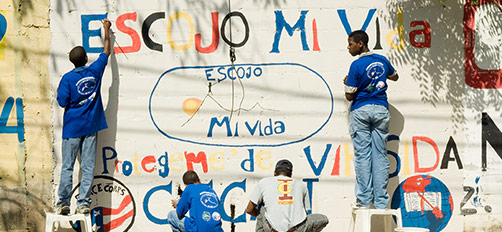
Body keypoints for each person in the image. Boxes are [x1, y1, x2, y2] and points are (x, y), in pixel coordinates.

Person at [55, 19, 112, 215]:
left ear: (72, 61)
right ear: (86, 58)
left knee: (68, 167)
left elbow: (62, 102)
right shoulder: (94, 71)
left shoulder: (67, 79)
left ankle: (63, 202)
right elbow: (106, 53)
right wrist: (106, 30)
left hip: (71, 130)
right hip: (90, 128)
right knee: (88, 167)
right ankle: (83, 203)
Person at [343, 30, 399, 209]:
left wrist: (348, 82)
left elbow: (349, 96)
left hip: (361, 110)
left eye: (350, 44)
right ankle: (381, 201)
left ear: (360, 44)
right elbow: (395, 76)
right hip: (381, 109)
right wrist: (379, 77)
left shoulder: (356, 65)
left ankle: (365, 200)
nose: (348, 47)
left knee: (363, 156)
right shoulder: (382, 60)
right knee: (380, 155)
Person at [246, 159, 329, 232]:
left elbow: (249, 210)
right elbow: (305, 213)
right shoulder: (301, 185)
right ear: (291, 175)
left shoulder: (263, 182)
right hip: (297, 229)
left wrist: (263, 217)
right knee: (323, 219)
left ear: (275, 173)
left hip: (271, 229)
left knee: (262, 207)